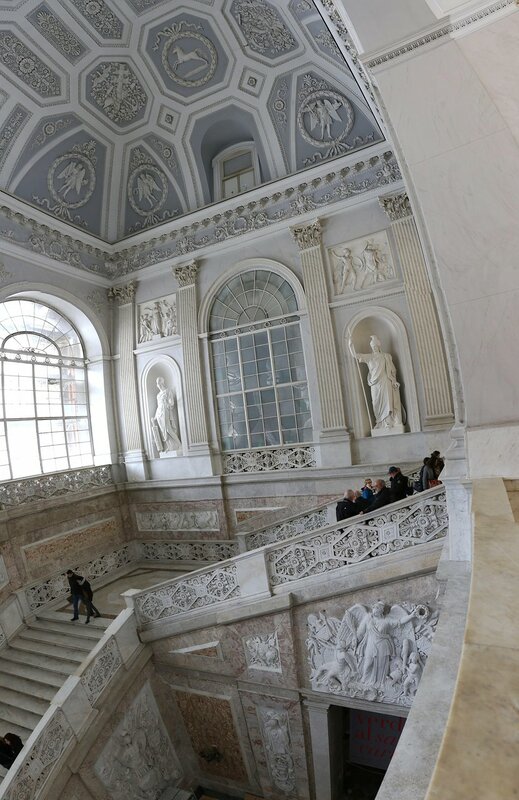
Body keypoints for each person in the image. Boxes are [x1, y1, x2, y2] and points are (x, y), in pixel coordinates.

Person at [349, 336, 404, 431]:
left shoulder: (386, 356)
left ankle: (389, 422)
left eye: (375, 346)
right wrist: (351, 345)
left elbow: (392, 371)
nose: (374, 347)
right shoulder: (369, 357)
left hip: (385, 381)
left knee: (388, 402)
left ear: (379, 346)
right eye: (372, 346)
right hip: (374, 384)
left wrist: (394, 381)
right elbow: (355, 355)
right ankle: (379, 422)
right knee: (376, 402)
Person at [152, 377, 181, 453]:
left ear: (162, 382)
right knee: (163, 431)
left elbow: (171, 402)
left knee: (168, 429)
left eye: (159, 382)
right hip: (159, 413)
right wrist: (155, 417)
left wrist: (168, 404)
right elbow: (158, 406)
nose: (158, 384)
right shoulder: (158, 395)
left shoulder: (168, 391)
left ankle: (179, 444)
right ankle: (170, 446)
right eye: (157, 383)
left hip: (165, 411)